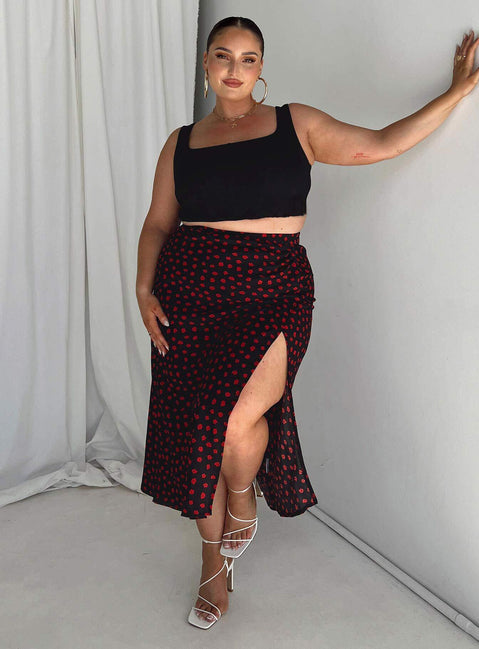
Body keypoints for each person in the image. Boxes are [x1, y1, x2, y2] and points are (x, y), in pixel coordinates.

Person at [136, 16, 478, 629]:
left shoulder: (295, 124)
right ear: (206, 64)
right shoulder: (180, 143)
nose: (235, 69)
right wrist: (142, 288)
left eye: (248, 58)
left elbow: (382, 143)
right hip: (190, 292)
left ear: (261, 68)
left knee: (235, 422)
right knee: (196, 433)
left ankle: (243, 498)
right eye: (223, 56)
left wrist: (455, 93)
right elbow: (159, 223)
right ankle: (214, 563)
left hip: (273, 291)